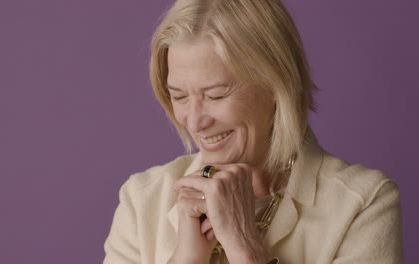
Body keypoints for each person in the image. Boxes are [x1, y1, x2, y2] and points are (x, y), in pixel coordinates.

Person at [103, 0, 403, 263]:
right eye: (179, 96)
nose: (193, 122)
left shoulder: (362, 204)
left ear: (277, 85)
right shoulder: (142, 199)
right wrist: (187, 259)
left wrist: (244, 248)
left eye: (216, 94)